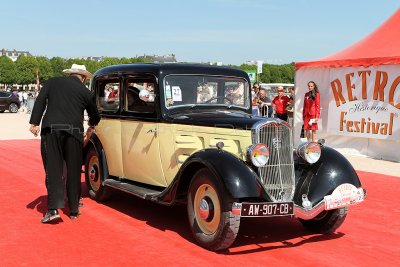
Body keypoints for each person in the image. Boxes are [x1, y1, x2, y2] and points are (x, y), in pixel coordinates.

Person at [29, 64, 100, 223]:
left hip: (52, 131)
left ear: (69, 75)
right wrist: (92, 125)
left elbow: (40, 101)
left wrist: (34, 123)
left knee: (53, 169)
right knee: (74, 170)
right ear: (83, 78)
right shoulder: (85, 91)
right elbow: (94, 114)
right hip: (74, 132)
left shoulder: (52, 82)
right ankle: (74, 210)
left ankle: (53, 209)